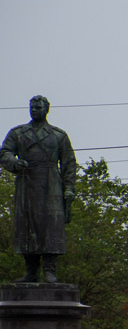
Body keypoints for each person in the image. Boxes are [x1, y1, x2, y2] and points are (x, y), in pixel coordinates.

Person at [0, 95, 77, 284]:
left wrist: (69, 189)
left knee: (51, 227)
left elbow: (69, 164)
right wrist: (14, 162)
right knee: (27, 226)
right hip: (27, 183)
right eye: (32, 107)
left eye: (38, 107)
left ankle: (50, 270)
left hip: (51, 185)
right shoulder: (18, 133)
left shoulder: (58, 135)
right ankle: (31, 271)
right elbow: (4, 152)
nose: (34, 110)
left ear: (46, 109)